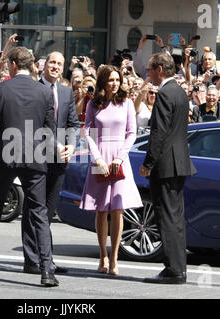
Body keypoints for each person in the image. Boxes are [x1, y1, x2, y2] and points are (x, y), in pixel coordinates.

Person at [0, 47, 59, 287]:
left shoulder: (1, 89)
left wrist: (4, 143)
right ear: (30, 65)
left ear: (12, 65)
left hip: (7, 153)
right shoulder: (43, 91)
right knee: (39, 213)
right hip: (34, 154)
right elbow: (50, 128)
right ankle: (46, 271)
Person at [139, 53, 197, 285]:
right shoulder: (180, 91)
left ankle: (173, 270)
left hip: (165, 164)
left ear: (161, 69)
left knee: (167, 217)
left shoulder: (164, 93)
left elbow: (159, 132)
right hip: (179, 162)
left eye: (151, 68)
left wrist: (148, 163)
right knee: (175, 218)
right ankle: (178, 267)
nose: (148, 72)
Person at [21, 51, 80, 276]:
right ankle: (32, 260)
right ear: (43, 65)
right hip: (36, 156)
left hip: (59, 159)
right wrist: (56, 143)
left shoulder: (66, 92)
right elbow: (34, 124)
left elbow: (73, 123)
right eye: (52, 62)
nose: (55, 66)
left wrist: (72, 146)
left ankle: (47, 259)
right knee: (33, 208)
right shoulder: (34, 89)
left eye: (59, 64)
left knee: (48, 210)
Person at [80, 65, 142, 276]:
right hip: (100, 156)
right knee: (101, 209)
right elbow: (88, 132)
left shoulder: (126, 103)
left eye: (118, 79)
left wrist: (120, 157)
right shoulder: (93, 103)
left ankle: (114, 258)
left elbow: (132, 133)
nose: (115, 83)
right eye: (111, 80)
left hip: (119, 158)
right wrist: (97, 158)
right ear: (103, 82)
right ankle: (102, 256)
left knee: (117, 209)